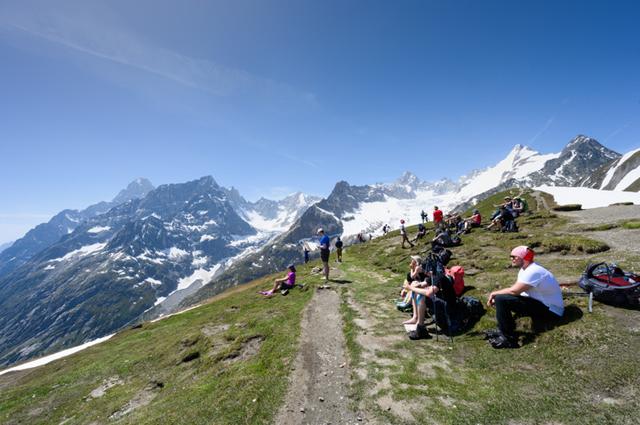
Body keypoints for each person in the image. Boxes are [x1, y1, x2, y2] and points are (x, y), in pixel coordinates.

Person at [486, 246, 564, 348]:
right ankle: (504, 329)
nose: (511, 259)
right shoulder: (525, 269)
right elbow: (517, 290)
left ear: (524, 258)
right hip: (542, 305)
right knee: (503, 299)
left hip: (552, 311)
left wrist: (494, 293)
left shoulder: (533, 271)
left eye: (514, 256)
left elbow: (514, 291)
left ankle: (509, 339)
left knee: (501, 299)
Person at [402, 270, 457, 340]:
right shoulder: (431, 276)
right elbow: (422, 284)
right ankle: (415, 318)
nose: (424, 272)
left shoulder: (439, 277)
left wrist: (411, 288)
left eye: (425, 269)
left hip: (448, 307)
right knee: (415, 289)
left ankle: (420, 327)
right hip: (442, 302)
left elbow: (429, 293)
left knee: (423, 297)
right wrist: (411, 287)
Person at [400, 255, 427, 326]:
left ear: (416, 262)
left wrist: (412, 269)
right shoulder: (411, 272)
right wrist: (404, 290)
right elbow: (409, 279)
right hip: (416, 289)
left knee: (414, 284)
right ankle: (415, 317)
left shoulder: (420, 268)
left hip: (424, 289)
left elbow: (413, 276)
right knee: (412, 285)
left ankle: (416, 317)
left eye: (413, 260)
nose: (411, 261)